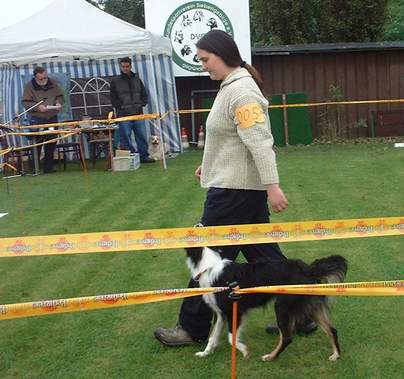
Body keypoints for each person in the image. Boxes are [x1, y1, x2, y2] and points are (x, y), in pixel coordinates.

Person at [154, 30, 316, 346]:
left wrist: (273, 186)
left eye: (205, 60)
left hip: (234, 195)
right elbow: (227, 137)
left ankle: (192, 328)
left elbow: (259, 142)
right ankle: (303, 314)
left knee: (207, 259)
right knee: (267, 260)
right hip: (239, 190)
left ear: (223, 54)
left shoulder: (242, 92)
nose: (203, 66)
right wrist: (210, 164)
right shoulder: (231, 87)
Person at [110, 57, 154, 163]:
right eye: (123, 66)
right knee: (125, 137)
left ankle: (144, 156)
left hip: (138, 113)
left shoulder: (137, 79)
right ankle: (130, 156)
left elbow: (144, 93)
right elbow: (113, 98)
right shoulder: (115, 81)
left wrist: (142, 103)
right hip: (123, 115)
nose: (125, 68)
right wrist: (120, 107)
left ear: (131, 66)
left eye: (127, 66)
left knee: (141, 136)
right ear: (120, 67)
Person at [22, 66, 64, 173]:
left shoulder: (53, 83)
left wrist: (58, 102)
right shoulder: (29, 86)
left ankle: (48, 168)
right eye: (41, 78)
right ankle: (35, 168)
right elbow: (26, 102)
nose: (43, 80)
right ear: (35, 76)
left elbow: (60, 95)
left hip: (51, 117)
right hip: (37, 118)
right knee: (37, 143)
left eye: (45, 77)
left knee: (51, 141)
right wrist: (37, 107)